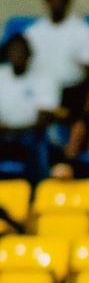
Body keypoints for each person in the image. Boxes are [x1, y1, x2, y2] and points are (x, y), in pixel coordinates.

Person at [0, 35, 60, 181]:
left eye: (21, 51)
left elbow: (44, 118)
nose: (17, 55)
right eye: (14, 51)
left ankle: (36, 192)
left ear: (29, 54)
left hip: (31, 134)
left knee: (37, 143)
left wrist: (13, 130)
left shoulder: (44, 78)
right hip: (2, 135)